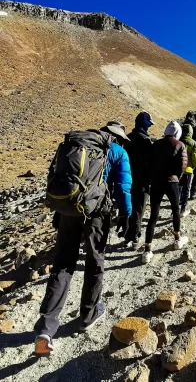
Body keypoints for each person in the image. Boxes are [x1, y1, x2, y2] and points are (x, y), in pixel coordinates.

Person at [34, 124, 132, 356]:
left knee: (62, 265)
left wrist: (60, 212)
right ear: (118, 136)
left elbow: (61, 176)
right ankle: (88, 315)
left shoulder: (76, 145)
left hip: (69, 210)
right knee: (95, 262)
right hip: (96, 213)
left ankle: (46, 330)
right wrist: (126, 214)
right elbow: (124, 186)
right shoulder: (116, 151)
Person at [142, 121, 188, 264]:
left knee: (153, 216)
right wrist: (177, 178)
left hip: (156, 182)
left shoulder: (156, 144)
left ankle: (147, 250)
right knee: (175, 210)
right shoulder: (180, 145)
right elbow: (182, 165)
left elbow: (148, 163)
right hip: (171, 181)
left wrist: (153, 176)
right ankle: (177, 239)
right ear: (177, 133)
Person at [124, 111, 154, 249]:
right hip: (142, 180)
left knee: (128, 206)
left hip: (126, 178)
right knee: (138, 208)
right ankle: (133, 237)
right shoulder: (146, 141)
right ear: (145, 124)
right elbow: (150, 163)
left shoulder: (127, 138)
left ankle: (128, 231)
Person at [179, 124, 196, 217]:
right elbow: (195, 158)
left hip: (178, 170)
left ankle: (174, 209)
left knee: (178, 188)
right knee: (187, 189)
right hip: (188, 170)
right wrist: (194, 166)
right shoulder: (193, 143)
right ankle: (183, 207)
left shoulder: (179, 141)